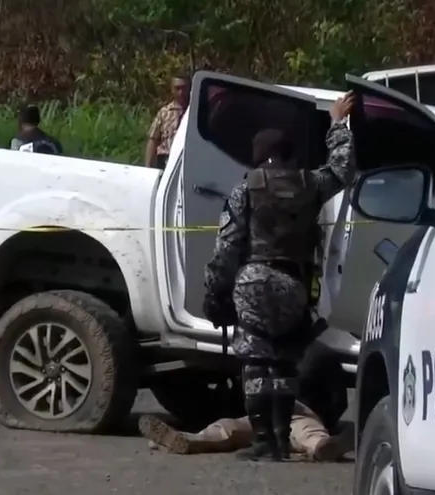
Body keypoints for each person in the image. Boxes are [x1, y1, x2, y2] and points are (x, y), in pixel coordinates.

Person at [202, 92, 356, 461]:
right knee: (285, 359)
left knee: (256, 361)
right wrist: (337, 124)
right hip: (294, 283)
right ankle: (282, 440)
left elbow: (227, 248)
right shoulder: (311, 184)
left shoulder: (246, 189)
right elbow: (343, 169)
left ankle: (262, 443)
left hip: (253, 280)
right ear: (289, 154)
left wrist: (214, 292)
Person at [138, 342, 352, 461]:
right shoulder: (319, 352)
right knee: (306, 432)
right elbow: (339, 400)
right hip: (300, 411)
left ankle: (191, 439)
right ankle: (322, 445)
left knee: (230, 428)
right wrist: (329, 419)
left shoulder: (281, 349)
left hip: (278, 409)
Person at [145, 75, 190, 169]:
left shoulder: (195, 112)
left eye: (184, 88)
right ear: (172, 89)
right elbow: (153, 139)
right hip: (165, 161)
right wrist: (148, 167)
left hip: (187, 162)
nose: (181, 93)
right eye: (177, 88)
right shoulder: (164, 112)